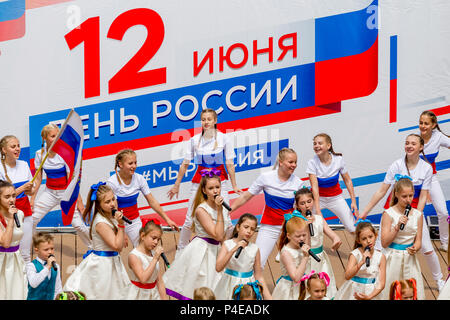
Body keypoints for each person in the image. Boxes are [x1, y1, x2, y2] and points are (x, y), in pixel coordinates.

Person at [359, 134, 446, 292]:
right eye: (407, 143)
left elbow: (423, 196)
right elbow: (381, 191)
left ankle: (439, 279)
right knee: (379, 248)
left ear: (421, 147)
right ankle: (372, 281)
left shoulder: (426, 168)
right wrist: (365, 211)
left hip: (415, 212)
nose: (409, 146)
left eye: (413, 143)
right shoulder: (396, 165)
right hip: (393, 210)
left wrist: (415, 217)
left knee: (426, 248)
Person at [168, 108, 239, 256]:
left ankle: (228, 251)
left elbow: (230, 164)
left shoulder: (224, 138)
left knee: (227, 219)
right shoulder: (194, 140)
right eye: (204, 119)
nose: (206, 122)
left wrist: (234, 185)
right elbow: (185, 164)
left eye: (209, 119)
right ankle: (180, 252)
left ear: (215, 121)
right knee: (188, 220)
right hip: (199, 183)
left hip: (220, 182)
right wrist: (176, 184)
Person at [163, 169, 231, 300]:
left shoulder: (222, 207)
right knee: (202, 285)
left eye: (217, 187)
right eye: (211, 188)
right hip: (203, 251)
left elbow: (223, 237)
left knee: (220, 287)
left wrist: (227, 251)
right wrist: (220, 211)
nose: (215, 191)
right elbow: (217, 235)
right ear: (204, 190)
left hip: (218, 249)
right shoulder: (201, 209)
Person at [230, 148, 304, 269]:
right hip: (269, 226)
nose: (294, 165)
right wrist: (228, 211)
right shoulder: (266, 178)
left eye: (295, 162)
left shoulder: (298, 183)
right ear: (280, 162)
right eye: (291, 162)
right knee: (257, 263)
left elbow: (301, 209)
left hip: (289, 229)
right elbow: (246, 196)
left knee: (296, 265)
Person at [63, 182, 131, 299]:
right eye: (107, 202)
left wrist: (120, 230)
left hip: (112, 261)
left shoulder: (110, 215)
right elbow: (117, 246)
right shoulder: (101, 223)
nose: (112, 204)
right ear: (99, 205)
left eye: (113, 199)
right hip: (103, 266)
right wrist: (121, 226)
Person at [30, 124, 91, 249]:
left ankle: (94, 248)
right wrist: (32, 199)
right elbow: (38, 179)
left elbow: (72, 181)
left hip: (66, 193)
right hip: (50, 193)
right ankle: (33, 247)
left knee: (79, 225)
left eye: (58, 135)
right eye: (53, 136)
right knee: (31, 219)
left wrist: (78, 202)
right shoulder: (39, 154)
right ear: (45, 138)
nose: (57, 138)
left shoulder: (65, 153)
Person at [107, 149, 178, 248]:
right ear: (120, 164)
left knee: (144, 249)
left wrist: (167, 219)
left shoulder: (140, 179)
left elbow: (152, 202)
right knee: (115, 251)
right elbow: (112, 209)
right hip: (115, 222)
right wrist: (121, 230)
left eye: (135, 163)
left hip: (134, 222)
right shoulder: (112, 182)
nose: (134, 166)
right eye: (130, 163)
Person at [378, 178, 425, 299]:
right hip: (392, 257)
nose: (408, 199)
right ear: (396, 194)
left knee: (410, 290)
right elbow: (384, 242)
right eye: (404, 196)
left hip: (409, 258)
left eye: (411, 195)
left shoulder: (418, 215)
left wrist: (416, 247)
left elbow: (418, 239)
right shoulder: (389, 214)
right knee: (391, 289)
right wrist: (397, 226)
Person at [293, 187, 341, 298]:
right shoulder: (297, 222)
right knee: (307, 285)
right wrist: (305, 226)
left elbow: (330, 232)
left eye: (309, 202)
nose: (306, 205)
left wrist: (335, 238)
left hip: (320, 258)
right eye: (302, 203)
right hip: (305, 258)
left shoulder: (319, 219)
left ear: (313, 201)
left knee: (322, 284)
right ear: (297, 206)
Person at [306, 133, 358, 233]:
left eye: (320, 143)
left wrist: (353, 201)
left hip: (336, 198)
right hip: (318, 199)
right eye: (314, 144)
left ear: (328, 146)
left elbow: (348, 180)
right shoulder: (312, 163)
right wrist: (317, 209)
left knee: (353, 228)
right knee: (311, 228)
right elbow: (315, 187)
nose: (316, 146)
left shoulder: (338, 160)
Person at [214, 213, 272, 300]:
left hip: (247, 287)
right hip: (229, 285)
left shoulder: (255, 249)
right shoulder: (227, 244)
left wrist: (269, 298)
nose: (249, 231)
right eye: (246, 227)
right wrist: (234, 249)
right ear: (238, 227)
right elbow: (218, 267)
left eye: (252, 229)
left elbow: (258, 276)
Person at [0, 135, 36, 263]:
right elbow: (3, 196)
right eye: (13, 146)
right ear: (4, 150)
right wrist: (22, 188)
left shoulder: (24, 164)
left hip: (25, 211)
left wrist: (30, 189)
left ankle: (24, 282)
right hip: (5, 214)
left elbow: (31, 191)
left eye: (18, 146)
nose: (17, 149)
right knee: (8, 251)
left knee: (25, 253)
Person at [418, 110, 450, 251]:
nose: (423, 126)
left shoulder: (438, 137)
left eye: (426, 123)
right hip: (415, 180)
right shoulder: (414, 139)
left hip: (432, 178)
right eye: (421, 123)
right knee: (413, 212)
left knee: (443, 213)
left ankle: (445, 242)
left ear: (433, 125)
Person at [334, 220, 386, 300]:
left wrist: (370, 296)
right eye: (364, 239)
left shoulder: (380, 256)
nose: (368, 241)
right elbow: (347, 276)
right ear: (359, 241)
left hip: (371, 292)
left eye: (370, 237)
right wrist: (361, 262)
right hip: (355, 291)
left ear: (375, 236)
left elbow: (382, 283)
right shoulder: (355, 254)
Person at [271, 214, 311, 300]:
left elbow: (308, 244)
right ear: (288, 236)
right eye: (298, 236)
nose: (301, 238)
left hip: (303, 285)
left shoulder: (301, 246)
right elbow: (296, 278)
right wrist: (305, 257)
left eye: (304, 235)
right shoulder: (286, 253)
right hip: (290, 289)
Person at [127, 218, 168, 300]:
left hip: (153, 295)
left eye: (158, 239)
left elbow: (159, 281)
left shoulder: (152, 254)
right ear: (143, 236)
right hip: (139, 295)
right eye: (153, 238)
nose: (156, 242)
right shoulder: (134, 256)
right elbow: (143, 279)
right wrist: (155, 258)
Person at [0, 180, 27, 299]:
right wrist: (10, 220)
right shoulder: (11, 216)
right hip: (2, 261)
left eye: (13, 196)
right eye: (7, 197)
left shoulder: (20, 214)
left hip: (16, 259)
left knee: (18, 292)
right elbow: (6, 243)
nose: (11, 200)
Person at [26, 232, 62, 300]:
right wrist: (47, 267)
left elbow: (58, 288)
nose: (50, 252)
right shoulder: (31, 266)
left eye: (52, 248)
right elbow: (33, 283)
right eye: (46, 250)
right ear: (37, 250)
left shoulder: (56, 266)